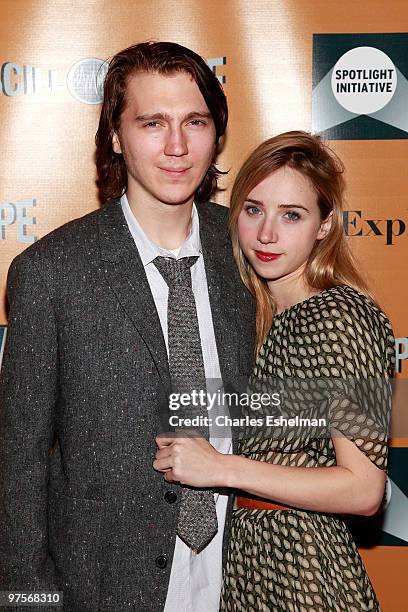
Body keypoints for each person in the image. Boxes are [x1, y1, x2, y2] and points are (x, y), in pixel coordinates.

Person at [0, 42, 255, 611]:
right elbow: (18, 463)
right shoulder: (51, 272)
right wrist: (28, 601)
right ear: (114, 137)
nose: (177, 146)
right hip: (102, 588)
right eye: (152, 123)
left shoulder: (249, 252)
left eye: (195, 122)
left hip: (237, 579)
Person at [153, 131, 395, 611]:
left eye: (292, 215)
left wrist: (220, 469)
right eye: (253, 209)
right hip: (247, 567)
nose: (267, 234)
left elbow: (365, 488)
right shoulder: (256, 318)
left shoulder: (342, 317)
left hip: (305, 573)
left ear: (325, 225)